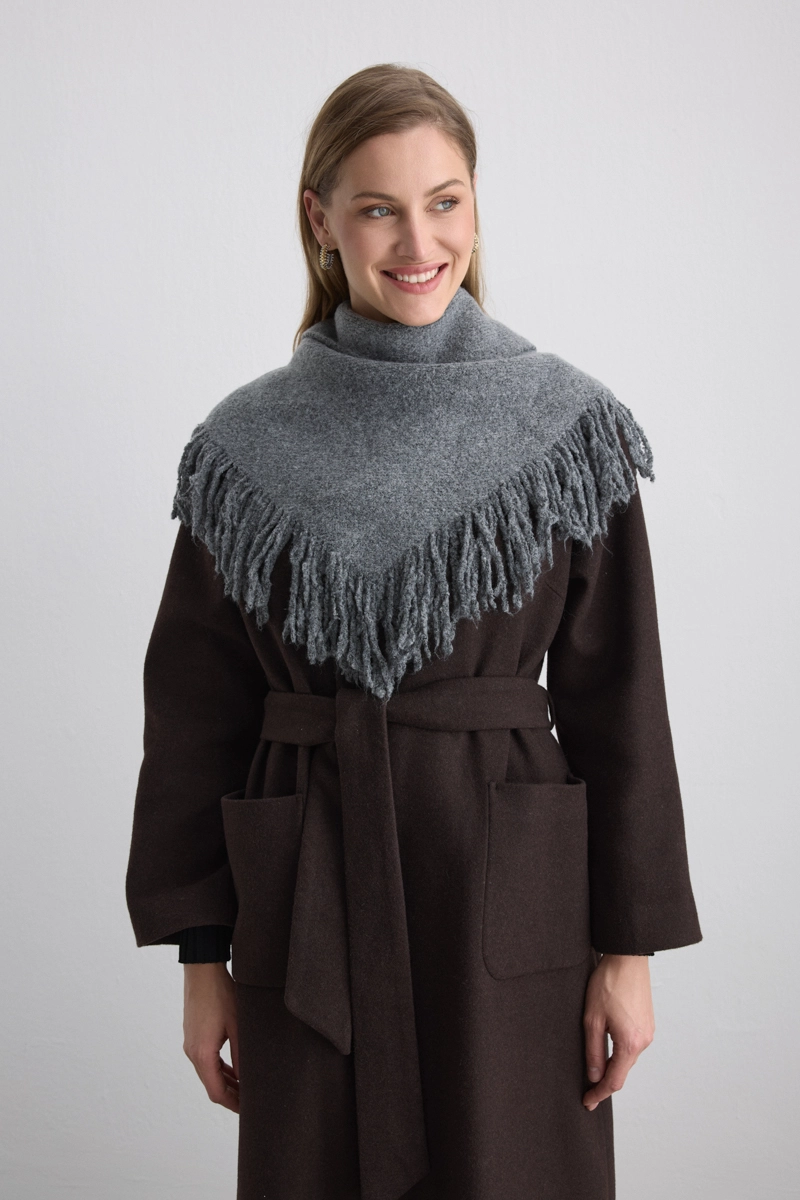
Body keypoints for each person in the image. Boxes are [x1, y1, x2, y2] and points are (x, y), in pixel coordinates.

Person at [125, 62, 702, 1200]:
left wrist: (627, 952)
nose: (417, 241)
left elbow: (620, 702)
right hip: (308, 888)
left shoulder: (564, 429)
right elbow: (194, 711)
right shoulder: (245, 447)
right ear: (320, 220)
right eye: (378, 208)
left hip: (508, 887)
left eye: (443, 201)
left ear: (476, 204)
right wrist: (201, 957)